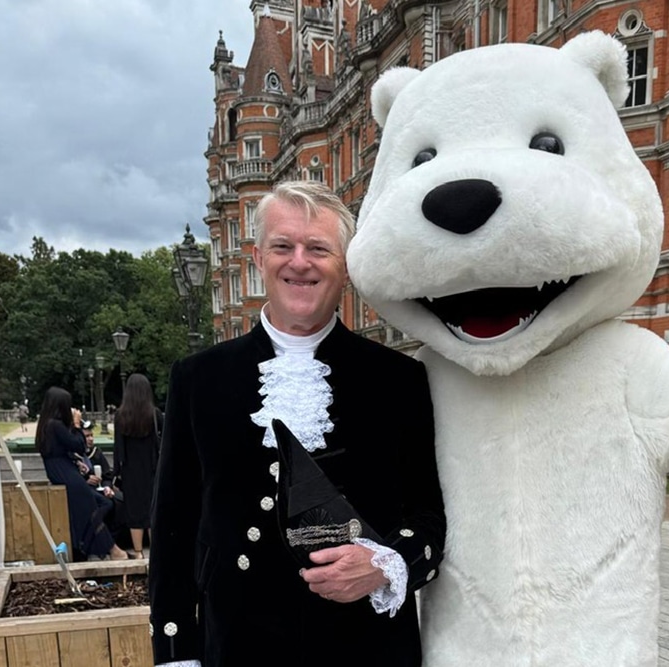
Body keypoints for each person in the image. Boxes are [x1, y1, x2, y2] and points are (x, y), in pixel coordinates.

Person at [149, 180, 446, 666]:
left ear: (345, 266)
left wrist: (384, 564)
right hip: (239, 646)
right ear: (257, 257)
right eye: (283, 246)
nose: (299, 262)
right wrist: (176, 654)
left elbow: (429, 517)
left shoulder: (400, 379)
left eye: (319, 249)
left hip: (366, 648)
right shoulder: (198, 379)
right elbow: (173, 529)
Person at [35, 387, 127, 561]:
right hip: (66, 475)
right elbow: (79, 445)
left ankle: (90, 545)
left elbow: (60, 449)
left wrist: (76, 462)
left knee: (94, 507)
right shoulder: (55, 425)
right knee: (90, 509)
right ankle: (111, 549)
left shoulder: (46, 425)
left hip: (61, 470)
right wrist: (76, 425)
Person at [113, 373, 162, 559]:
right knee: (152, 512)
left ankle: (138, 552)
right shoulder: (155, 415)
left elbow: (118, 448)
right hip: (152, 469)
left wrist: (116, 473)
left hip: (130, 471)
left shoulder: (121, 416)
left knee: (134, 514)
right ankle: (155, 553)